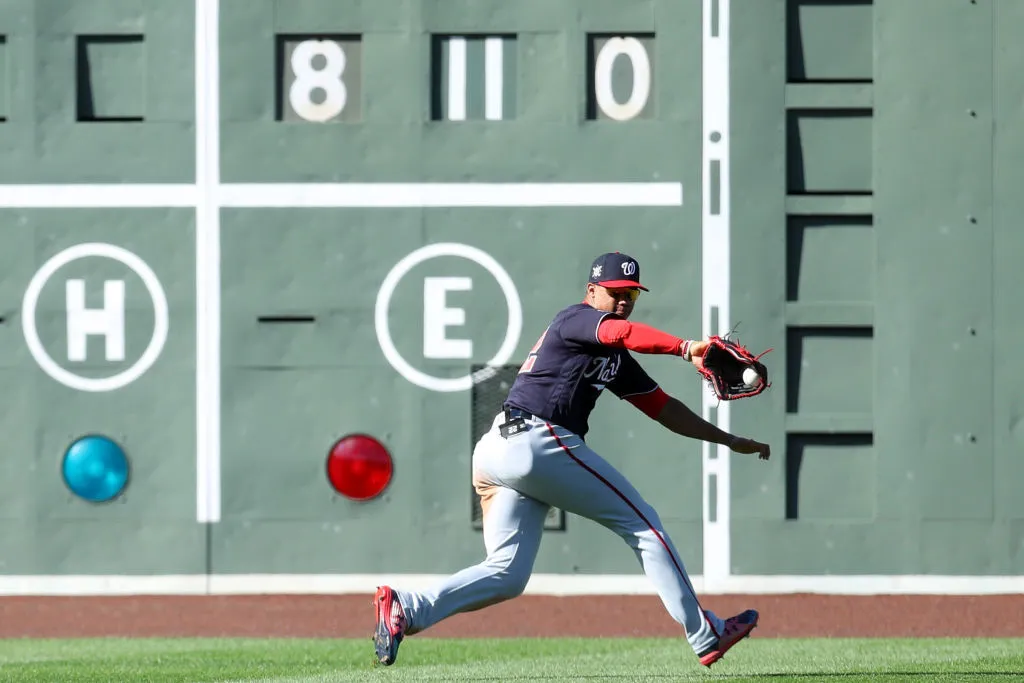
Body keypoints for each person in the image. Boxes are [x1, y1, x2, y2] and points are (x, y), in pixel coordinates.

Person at [373, 252, 771, 668]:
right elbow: (624, 333)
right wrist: (686, 347)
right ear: (592, 291)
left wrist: (727, 440)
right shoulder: (575, 319)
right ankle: (704, 633)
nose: (624, 300)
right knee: (644, 524)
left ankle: (405, 608)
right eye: (616, 292)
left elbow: (663, 408)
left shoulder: (615, 357)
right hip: (534, 439)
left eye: (631, 293)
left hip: (503, 449)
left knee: (507, 574)